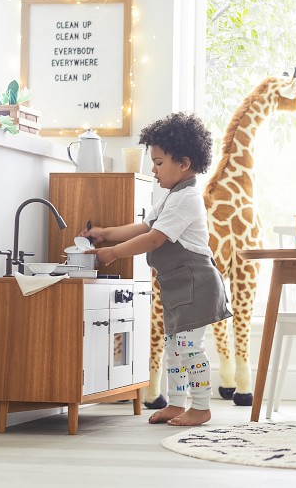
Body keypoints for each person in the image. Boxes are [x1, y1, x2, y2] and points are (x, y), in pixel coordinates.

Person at [81, 112, 232, 427]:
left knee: (190, 348)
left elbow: (153, 238)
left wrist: (111, 253)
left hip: (198, 286)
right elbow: (144, 226)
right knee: (175, 349)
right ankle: (177, 404)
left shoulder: (187, 198)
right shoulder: (171, 198)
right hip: (179, 287)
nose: (154, 169)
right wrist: (106, 233)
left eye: (159, 162)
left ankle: (201, 406)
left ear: (184, 164)